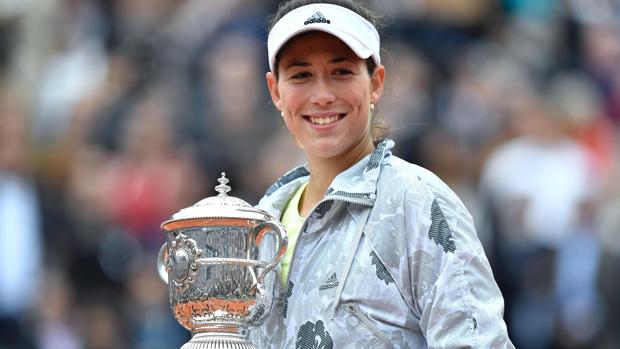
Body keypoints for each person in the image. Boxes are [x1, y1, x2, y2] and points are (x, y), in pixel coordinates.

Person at [251, 0, 514, 347]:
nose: (323, 95)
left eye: (341, 72)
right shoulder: (263, 220)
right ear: (275, 91)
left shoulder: (415, 200)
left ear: (376, 83)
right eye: (301, 75)